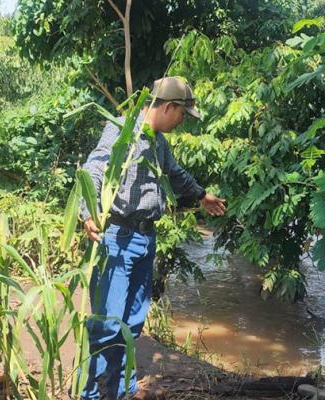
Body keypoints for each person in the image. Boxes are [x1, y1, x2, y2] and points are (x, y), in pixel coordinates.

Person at [77, 76, 227, 400]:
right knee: (107, 326)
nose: (182, 121)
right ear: (169, 106)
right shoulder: (122, 129)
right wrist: (87, 212)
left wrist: (202, 196)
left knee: (132, 323)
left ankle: (121, 391)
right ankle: (88, 394)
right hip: (117, 237)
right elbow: (94, 168)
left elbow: (174, 174)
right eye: (182, 114)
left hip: (146, 239)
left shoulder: (159, 141)